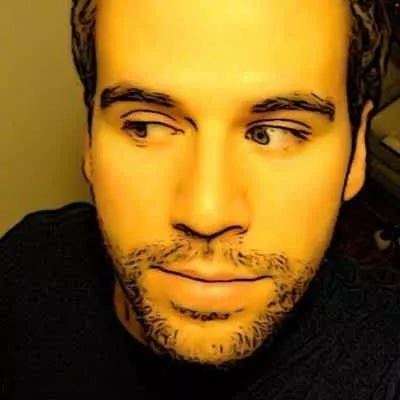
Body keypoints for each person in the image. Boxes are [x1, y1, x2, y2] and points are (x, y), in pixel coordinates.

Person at [1, 0, 398, 398]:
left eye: (274, 133)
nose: (206, 214)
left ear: (357, 153)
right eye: (146, 126)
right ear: (89, 140)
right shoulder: (27, 263)